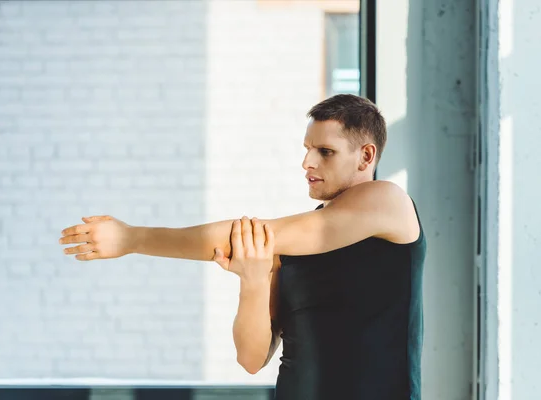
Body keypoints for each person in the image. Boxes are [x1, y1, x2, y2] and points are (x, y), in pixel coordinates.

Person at [59, 94, 426, 400]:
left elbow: (243, 236)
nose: (307, 162)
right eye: (307, 149)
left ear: (365, 156)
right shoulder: (293, 239)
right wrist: (252, 282)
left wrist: (132, 238)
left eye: (325, 152)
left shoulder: (386, 201)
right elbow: (252, 358)